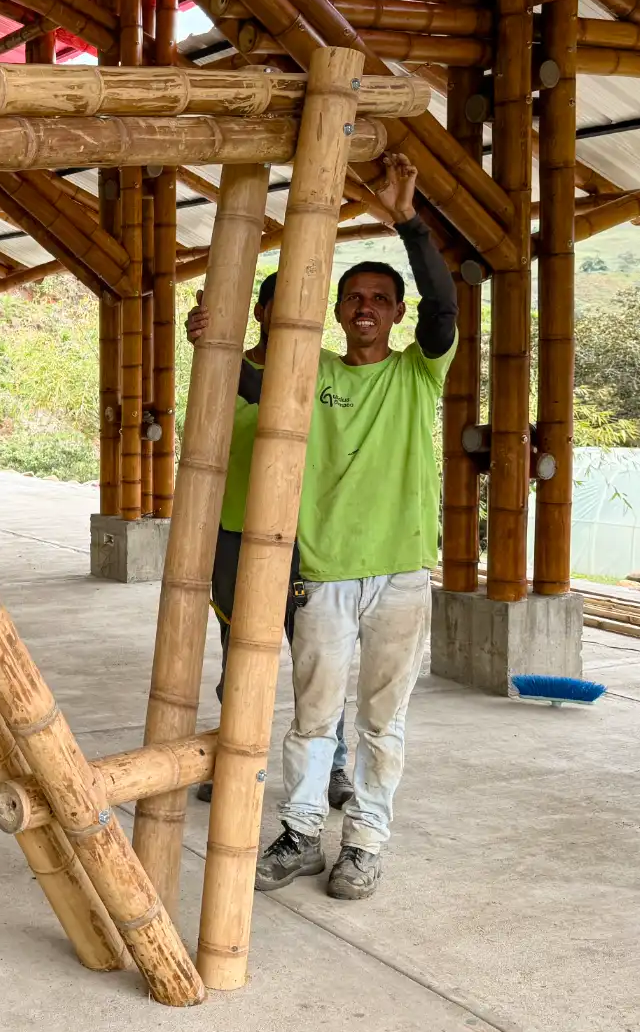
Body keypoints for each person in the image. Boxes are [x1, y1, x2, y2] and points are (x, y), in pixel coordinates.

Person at [237, 154, 458, 901]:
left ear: (396, 314)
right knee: (312, 719)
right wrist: (209, 336)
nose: (365, 307)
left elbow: (446, 307)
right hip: (325, 571)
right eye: (354, 298)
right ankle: (301, 833)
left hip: (400, 572)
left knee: (381, 722)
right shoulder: (315, 371)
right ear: (337, 313)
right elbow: (245, 377)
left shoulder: (419, 372)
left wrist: (407, 222)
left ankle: (365, 841)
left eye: (379, 299)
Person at [186, 272, 351, 811]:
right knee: (240, 654)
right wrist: (212, 346)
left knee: (320, 657)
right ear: (259, 312)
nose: (290, 320)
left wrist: (219, 346)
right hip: (236, 534)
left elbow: (279, 403)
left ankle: (333, 767)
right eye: (279, 308)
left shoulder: (327, 370)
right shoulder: (222, 366)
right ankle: (234, 758)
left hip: (309, 539)